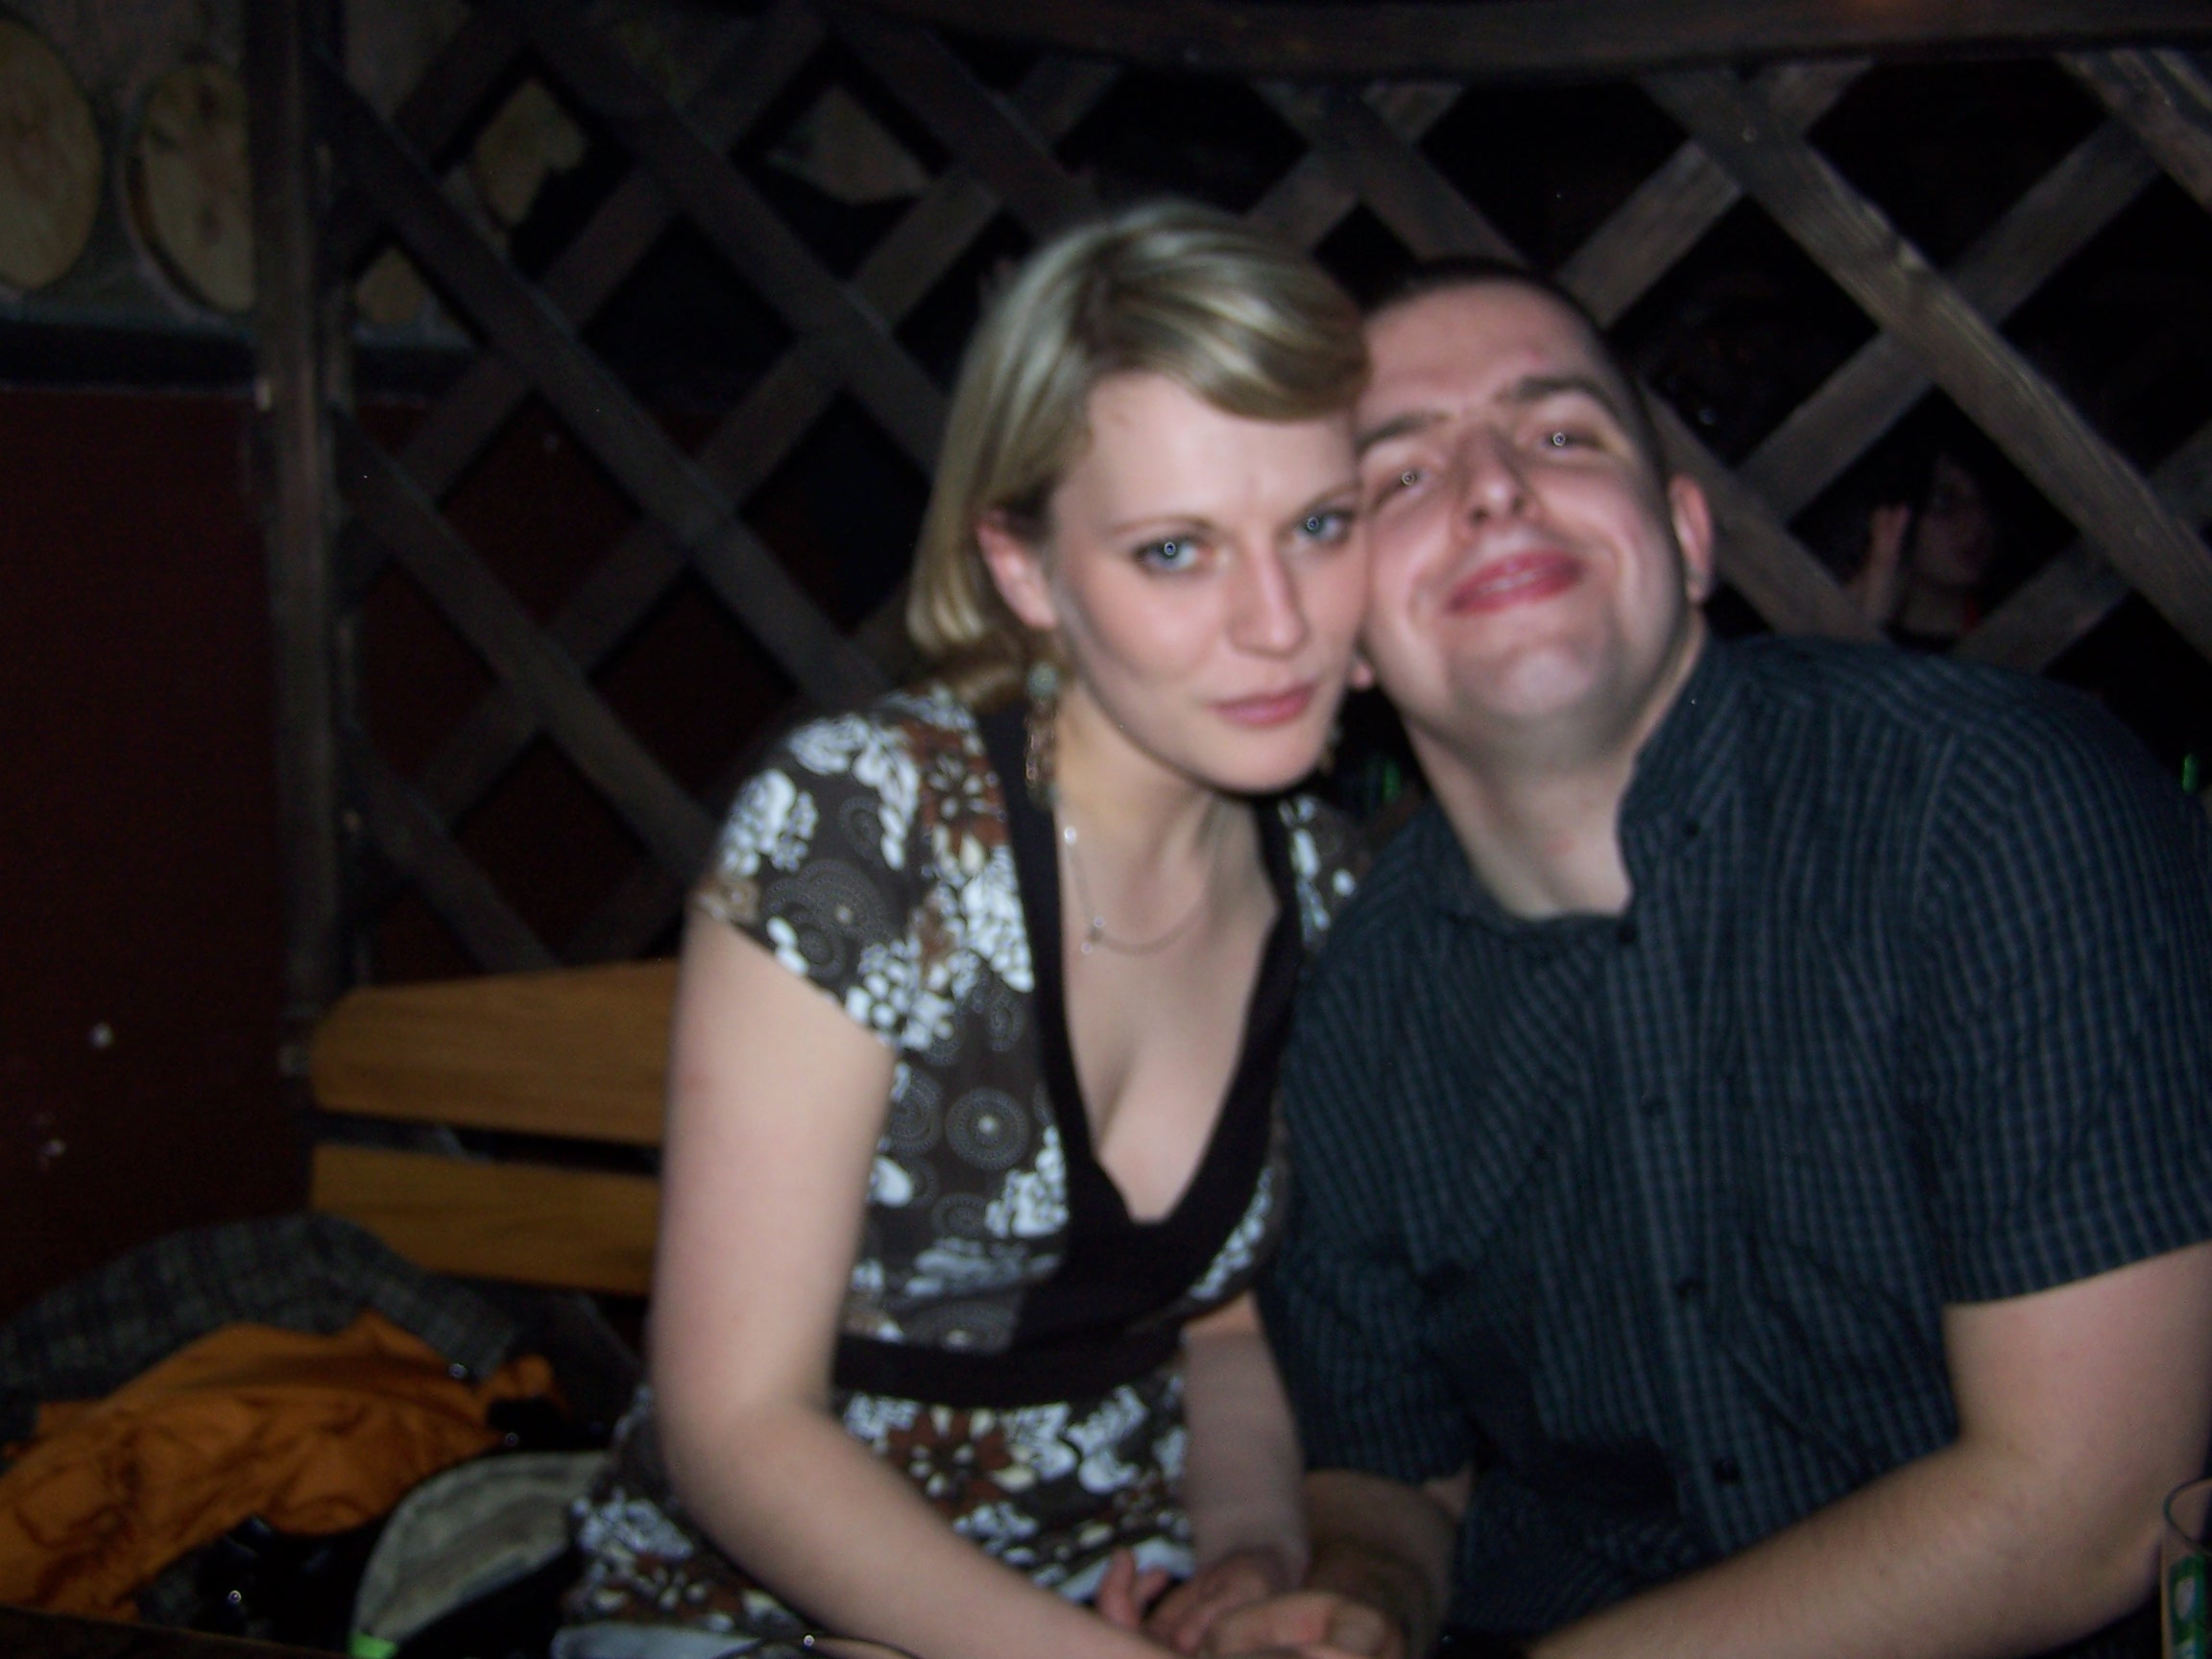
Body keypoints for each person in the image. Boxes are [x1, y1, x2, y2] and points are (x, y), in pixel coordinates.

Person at [1215, 262, 2212, 1659]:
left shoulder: (1992, 810)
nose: (1495, 488)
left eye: (1560, 434)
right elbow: (1390, 1474)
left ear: (1687, 540)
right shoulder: (1353, 1008)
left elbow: (2093, 1505)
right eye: (1403, 477)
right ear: (1345, 634)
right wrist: (1363, 1600)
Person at [557, 200, 1375, 1659]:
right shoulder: (872, 832)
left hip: (1128, 1587)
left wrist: (1249, 1554)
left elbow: (1225, 1326)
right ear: (1024, 569)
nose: (1279, 622)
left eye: (1318, 526)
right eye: (1175, 551)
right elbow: (735, 1425)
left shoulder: (1325, 886)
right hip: (762, 1610)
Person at [1847, 435, 2006, 649]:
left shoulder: (2011, 631)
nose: (1976, 522)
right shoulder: (1850, 616)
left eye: (1983, 499)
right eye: (1943, 502)